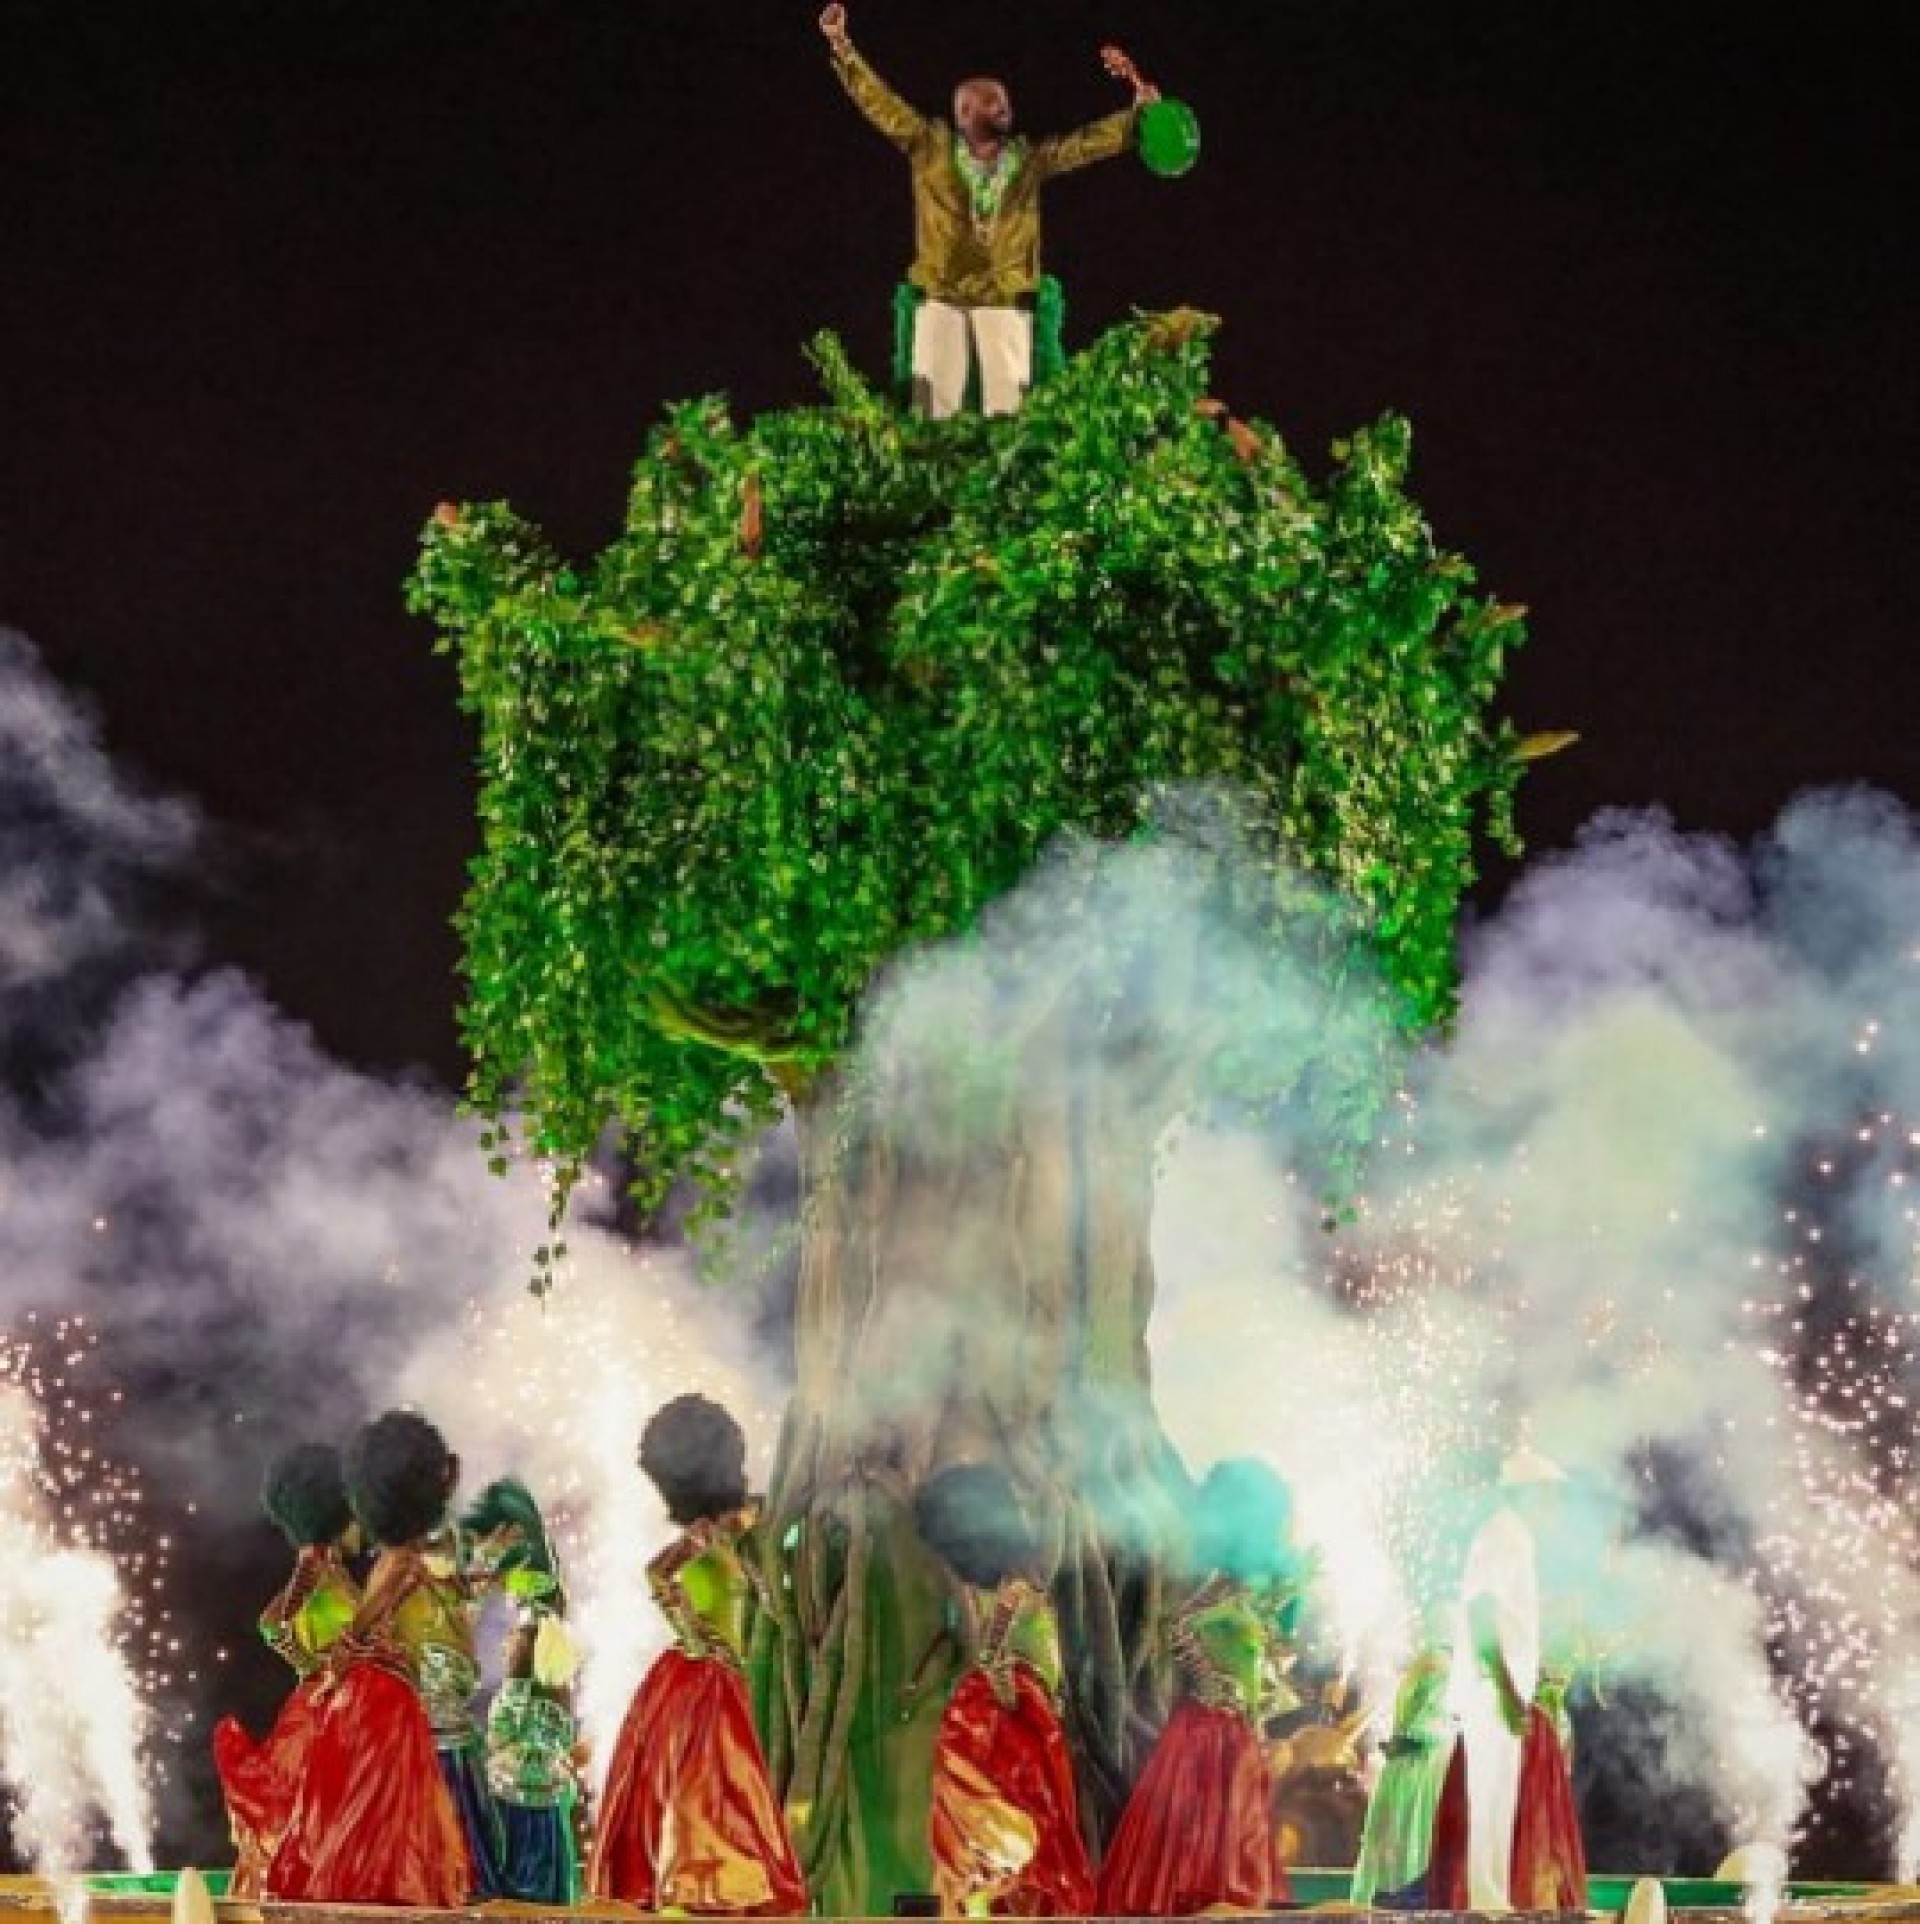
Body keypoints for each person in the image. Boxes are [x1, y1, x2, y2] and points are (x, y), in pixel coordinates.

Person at [819, 4, 1158, 418]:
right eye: (993, 104)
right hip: (943, 294)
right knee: (933, 411)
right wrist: (843, 46)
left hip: (1003, 295)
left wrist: (1136, 120)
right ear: (964, 113)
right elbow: (881, 104)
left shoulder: (1027, 161)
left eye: (1004, 103)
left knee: (1009, 412)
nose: (1004, 109)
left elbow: (1083, 145)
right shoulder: (930, 148)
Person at [588, 1394, 807, 1915]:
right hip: (702, 1681)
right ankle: (708, 1890)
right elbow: (656, 1574)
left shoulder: (747, 1527)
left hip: (728, 1675)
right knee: (711, 1787)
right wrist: (692, 1633)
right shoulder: (703, 1536)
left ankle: (719, 1887)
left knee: (730, 1787)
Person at [268, 1410, 483, 1907]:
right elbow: (360, 1623)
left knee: (378, 1816)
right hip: (380, 1696)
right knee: (382, 1816)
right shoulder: (400, 1559)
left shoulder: (398, 1558)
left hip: (376, 1691)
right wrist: (330, 1669)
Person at [1096, 1458, 1300, 1916]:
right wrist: (1211, 1681)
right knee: (1208, 1842)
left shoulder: (1245, 1596)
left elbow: (1262, 1661)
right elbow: (1180, 1626)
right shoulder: (1220, 1591)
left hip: (1233, 1734)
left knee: (1237, 1839)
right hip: (1209, 1737)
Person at [914, 1463, 1093, 1918]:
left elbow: (993, 1657)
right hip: (1010, 1734)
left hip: (1001, 1726)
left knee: (1000, 1850)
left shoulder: (995, 1593)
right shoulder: (1014, 1593)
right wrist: (1016, 1700)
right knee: (1015, 1843)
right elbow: (992, 1658)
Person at [1427, 1444, 1586, 1913]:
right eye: (1549, 1494)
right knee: (1489, 1802)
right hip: (1490, 1688)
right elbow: (1481, 1612)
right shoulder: (1504, 1535)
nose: (1554, 1504)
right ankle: (1486, 1901)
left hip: (1496, 1685)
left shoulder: (1513, 1536)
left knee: (1499, 1801)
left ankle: (1492, 1900)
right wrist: (1505, 1689)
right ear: (1528, 1492)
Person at [211, 1444, 361, 1899]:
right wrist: (310, 1664)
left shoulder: (331, 1567)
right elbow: (271, 1623)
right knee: (309, 1822)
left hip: (340, 1707)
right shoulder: (314, 1563)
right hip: (320, 1715)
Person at [465, 1477, 583, 1905]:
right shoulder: (553, 1629)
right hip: (546, 1789)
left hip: (517, 1795)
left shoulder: (528, 1633)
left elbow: (509, 1721)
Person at [1349, 1629, 1458, 1908]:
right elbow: (1425, 1725)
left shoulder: (1422, 1668)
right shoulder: (1442, 1665)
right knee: (1413, 1843)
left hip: (1406, 1770)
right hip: (1424, 1771)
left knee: (1399, 1844)